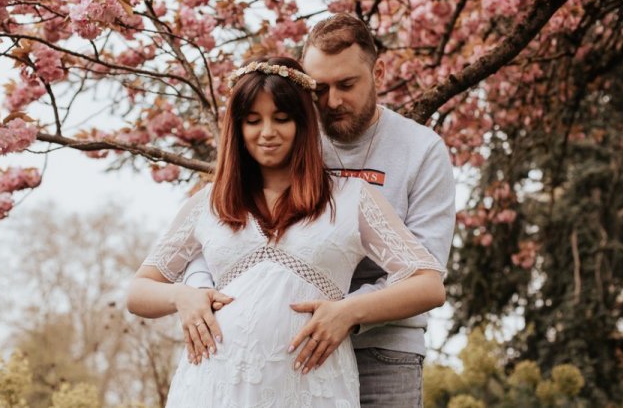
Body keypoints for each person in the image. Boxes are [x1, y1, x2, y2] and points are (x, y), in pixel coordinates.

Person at [127, 56, 447, 407]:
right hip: (213, 388)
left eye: (281, 119)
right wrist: (181, 296)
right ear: (237, 129)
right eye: (253, 121)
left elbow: (428, 285)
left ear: (303, 124)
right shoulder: (209, 203)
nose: (267, 132)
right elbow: (139, 291)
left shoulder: (352, 199)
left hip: (314, 389)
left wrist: (350, 311)